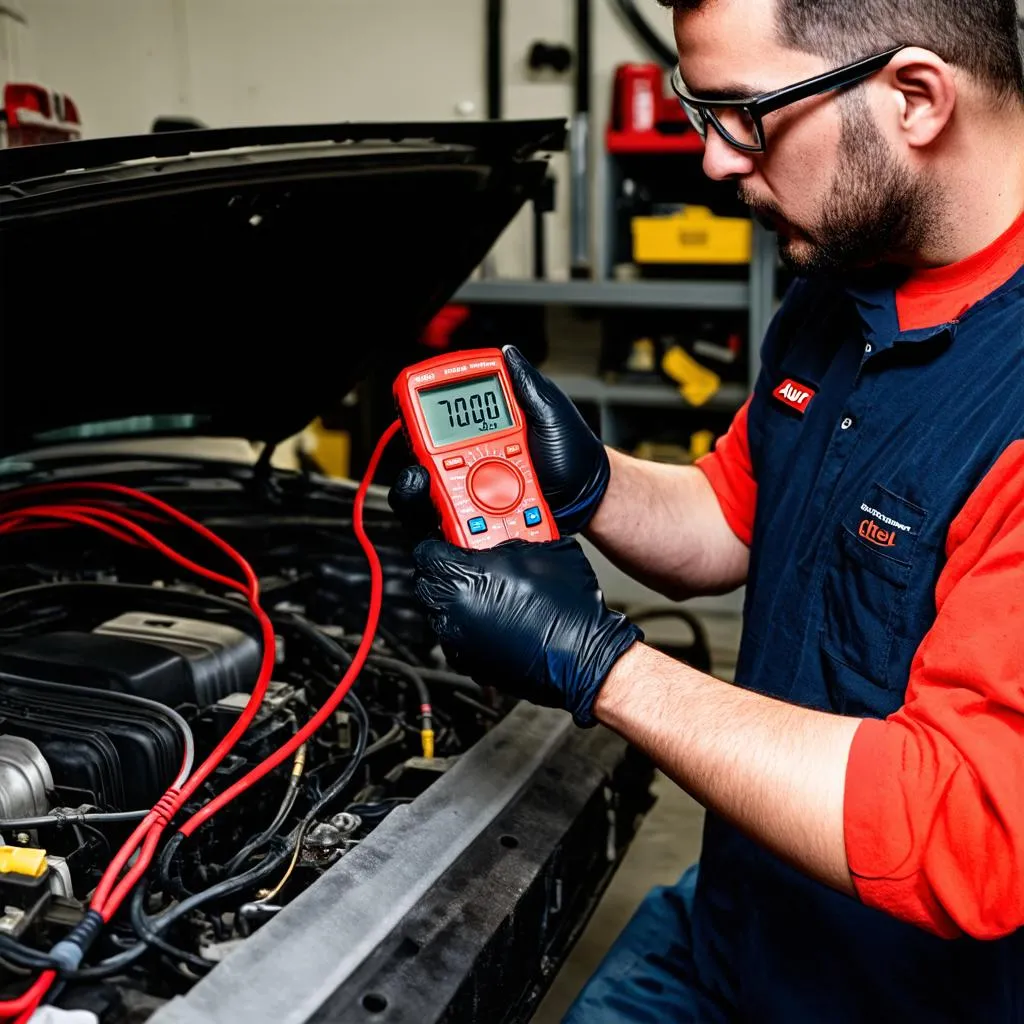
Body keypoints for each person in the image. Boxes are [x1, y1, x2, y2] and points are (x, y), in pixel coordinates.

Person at [389, 0, 1024, 1018]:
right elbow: (734, 518)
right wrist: (588, 480)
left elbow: (963, 830)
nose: (718, 163)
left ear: (914, 98)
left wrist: (601, 663)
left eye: (745, 113)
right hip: (737, 926)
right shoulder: (846, 270)